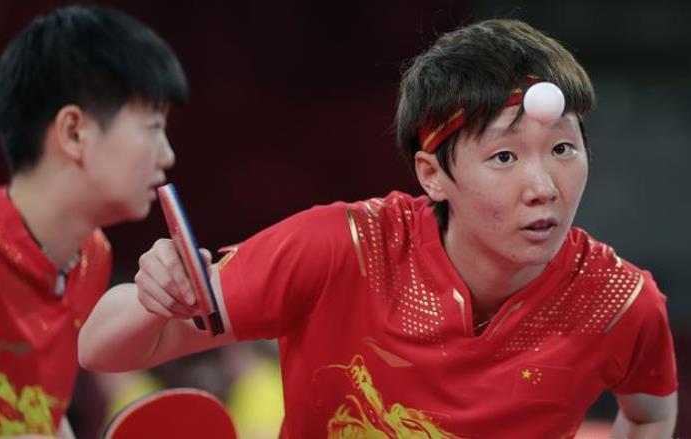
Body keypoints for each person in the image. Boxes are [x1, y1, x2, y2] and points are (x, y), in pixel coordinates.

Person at [78, 19, 677, 438]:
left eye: (563, 149)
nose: (543, 186)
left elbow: (649, 414)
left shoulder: (619, 302)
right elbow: (101, 349)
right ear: (432, 175)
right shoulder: (341, 250)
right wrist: (154, 298)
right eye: (504, 156)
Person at [0, 4, 187, 437]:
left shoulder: (89, 256)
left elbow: (41, 414)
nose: (168, 155)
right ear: (74, 132)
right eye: (152, 127)